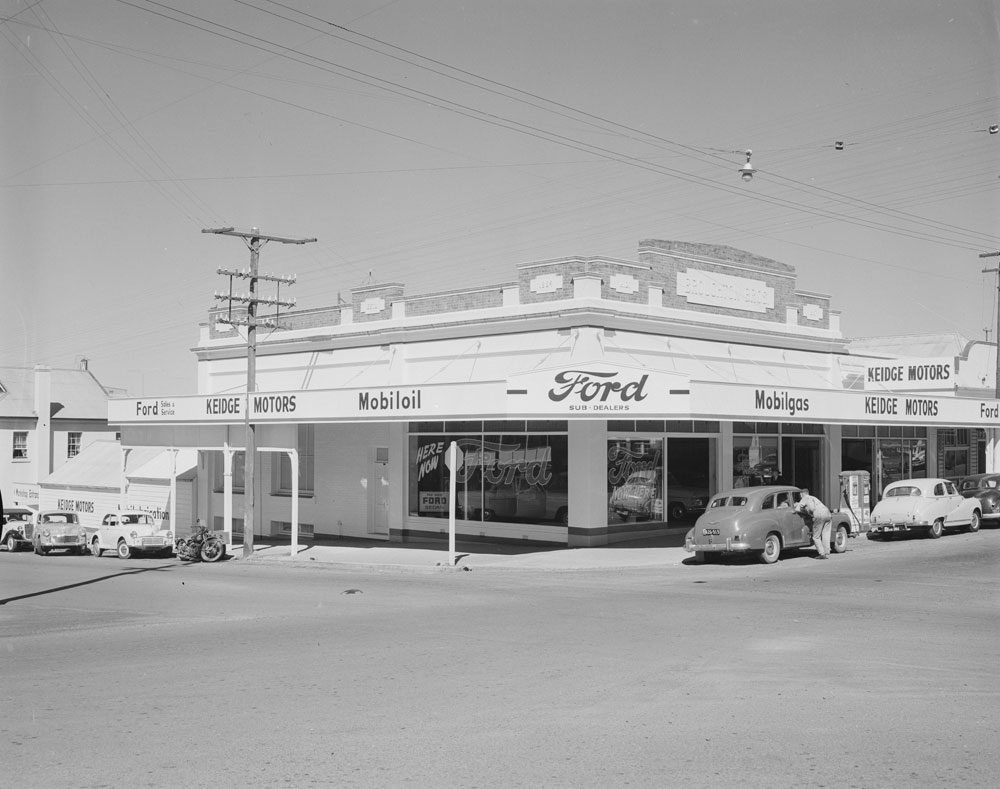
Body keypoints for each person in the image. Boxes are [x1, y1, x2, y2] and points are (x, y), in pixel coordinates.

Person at [794, 489, 833, 559]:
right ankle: (827, 552)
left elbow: (797, 509)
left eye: (800, 495)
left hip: (819, 515)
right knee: (826, 534)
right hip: (827, 513)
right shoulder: (813, 497)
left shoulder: (805, 498)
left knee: (816, 537)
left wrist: (797, 504)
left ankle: (822, 554)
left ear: (801, 494)